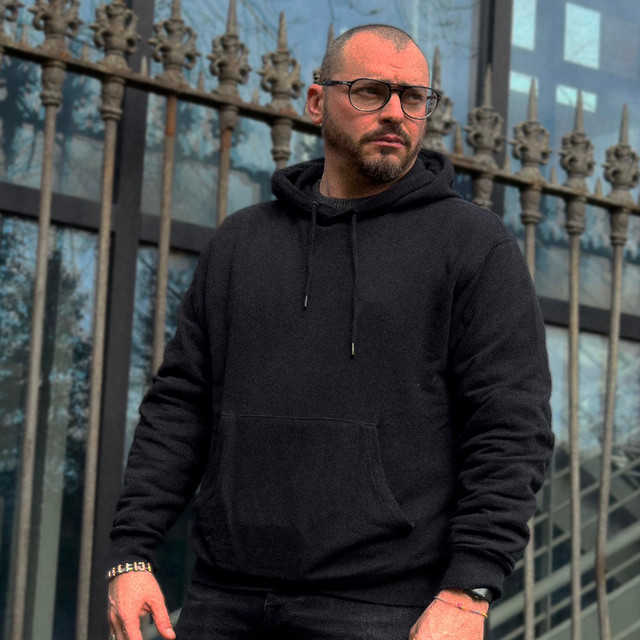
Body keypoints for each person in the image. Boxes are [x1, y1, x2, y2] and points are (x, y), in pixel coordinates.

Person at [107, 24, 554, 640]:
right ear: (317, 102)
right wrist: (131, 552)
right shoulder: (242, 242)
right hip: (223, 600)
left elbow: (510, 427)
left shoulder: (473, 245)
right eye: (371, 91)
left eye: (414, 97)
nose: (395, 113)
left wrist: (469, 590)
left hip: (385, 609)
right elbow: (178, 406)